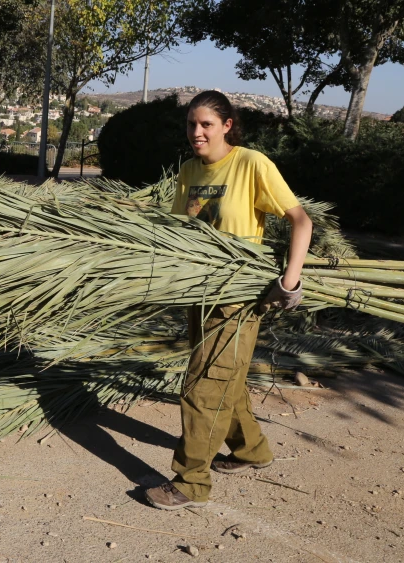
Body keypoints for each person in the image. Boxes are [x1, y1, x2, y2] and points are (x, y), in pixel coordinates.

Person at [145, 90, 313, 510]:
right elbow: (184, 232)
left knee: (203, 387)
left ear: (226, 126)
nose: (196, 132)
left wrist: (289, 282)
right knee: (227, 382)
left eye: (205, 124)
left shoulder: (250, 163)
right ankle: (251, 450)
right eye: (190, 124)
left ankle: (190, 483)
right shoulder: (188, 170)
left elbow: (300, 219)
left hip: (236, 301)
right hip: (198, 296)